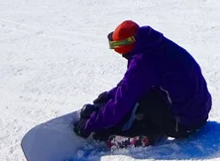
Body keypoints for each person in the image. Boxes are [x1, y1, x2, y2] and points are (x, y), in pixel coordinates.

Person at [74, 20, 212, 147]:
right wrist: (108, 97)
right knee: (141, 90)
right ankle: (147, 127)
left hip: (183, 123)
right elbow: (130, 84)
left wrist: (91, 124)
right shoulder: (153, 44)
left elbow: (124, 99)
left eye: (118, 47)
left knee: (140, 96)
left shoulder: (143, 61)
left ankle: (142, 132)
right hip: (198, 113)